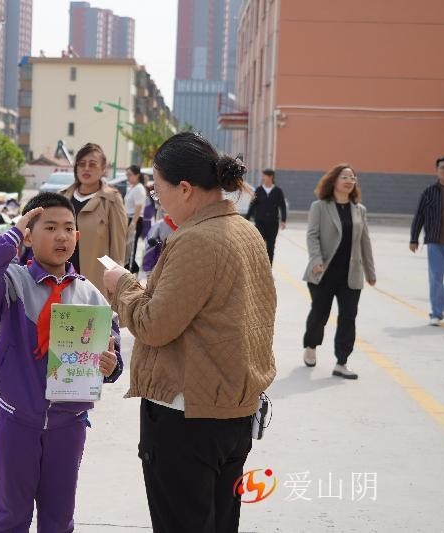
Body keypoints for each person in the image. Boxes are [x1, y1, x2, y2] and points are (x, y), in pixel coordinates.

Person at [102, 132, 276, 533]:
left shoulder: (198, 239)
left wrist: (123, 286)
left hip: (188, 418)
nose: (158, 201)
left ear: (184, 188)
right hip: (233, 411)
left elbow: (153, 326)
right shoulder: (245, 231)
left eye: (159, 191)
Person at [0, 192, 123, 532]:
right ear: (29, 235)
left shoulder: (90, 295)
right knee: (11, 517)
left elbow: (113, 351)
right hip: (17, 422)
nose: (62, 236)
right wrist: (10, 237)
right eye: (50, 227)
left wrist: (111, 365)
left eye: (69, 228)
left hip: (69, 425)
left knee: (59, 518)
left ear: (77, 237)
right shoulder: (12, 284)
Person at [302, 164, 376, 379]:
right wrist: (316, 260)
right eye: (344, 176)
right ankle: (311, 346)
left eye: (352, 177)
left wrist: (370, 272)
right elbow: (312, 235)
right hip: (323, 273)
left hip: (351, 275)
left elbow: (365, 242)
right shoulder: (320, 206)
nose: (349, 180)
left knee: (348, 318)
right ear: (334, 181)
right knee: (319, 315)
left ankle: (342, 362)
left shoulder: (359, 210)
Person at [61, 143, 127, 293]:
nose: (86, 168)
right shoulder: (62, 197)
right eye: (81, 164)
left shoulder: (111, 200)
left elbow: (118, 248)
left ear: (103, 169)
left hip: (95, 283)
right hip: (61, 280)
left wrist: (116, 281)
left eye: (92, 164)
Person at [410, 156, 444, 325]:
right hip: (435, 242)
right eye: (442, 167)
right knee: (436, 277)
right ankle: (436, 313)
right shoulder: (429, 192)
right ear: (437, 170)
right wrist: (414, 238)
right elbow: (419, 216)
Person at [245, 168, 287, 264]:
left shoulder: (278, 191)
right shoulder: (259, 190)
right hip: (260, 222)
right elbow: (252, 205)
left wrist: (283, 220)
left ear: (270, 177)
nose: (262, 178)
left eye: (264, 176)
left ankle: (269, 269)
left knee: (271, 247)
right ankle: (259, 268)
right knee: (259, 246)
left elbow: (282, 206)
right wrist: (246, 219)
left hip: (273, 224)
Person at [124, 165, 148, 273]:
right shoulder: (132, 187)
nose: (127, 177)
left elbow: (138, 207)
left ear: (137, 175)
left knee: (131, 247)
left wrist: (133, 223)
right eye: (127, 175)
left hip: (134, 219)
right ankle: (131, 267)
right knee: (127, 247)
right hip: (128, 218)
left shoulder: (139, 188)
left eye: (130, 175)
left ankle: (132, 269)